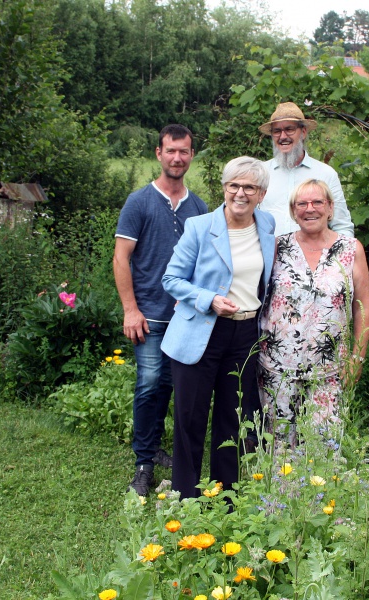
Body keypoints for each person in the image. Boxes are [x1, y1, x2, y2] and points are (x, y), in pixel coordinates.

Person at [161, 156, 276, 500]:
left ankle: (225, 499)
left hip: (244, 335)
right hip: (202, 331)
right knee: (190, 420)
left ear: (261, 193)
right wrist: (209, 298)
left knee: (233, 419)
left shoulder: (266, 224)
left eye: (249, 187)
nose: (240, 193)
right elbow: (171, 278)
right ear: (224, 188)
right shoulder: (199, 227)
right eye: (233, 185)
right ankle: (186, 498)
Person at [113, 124, 208, 497]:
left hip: (185, 316)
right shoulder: (140, 202)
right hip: (149, 314)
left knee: (171, 386)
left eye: (184, 151)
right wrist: (130, 309)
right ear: (158, 153)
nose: (177, 158)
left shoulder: (198, 207)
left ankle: (154, 448)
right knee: (149, 385)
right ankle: (143, 463)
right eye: (170, 151)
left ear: (191, 156)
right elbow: (122, 258)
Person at [258, 179, 369, 439]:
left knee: (325, 449)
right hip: (278, 370)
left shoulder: (351, 249)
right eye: (302, 204)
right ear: (293, 211)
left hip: (330, 371)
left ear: (330, 208)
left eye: (317, 202)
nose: (310, 209)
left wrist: (357, 360)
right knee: (280, 450)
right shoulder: (276, 247)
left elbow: (362, 312)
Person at [258, 102, 353, 237]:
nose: (283, 136)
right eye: (277, 131)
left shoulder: (326, 174)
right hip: (268, 256)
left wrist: (339, 255)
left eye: (289, 129)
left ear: (303, 132)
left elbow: (342, 226)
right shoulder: (259, 173)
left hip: (314, 256)